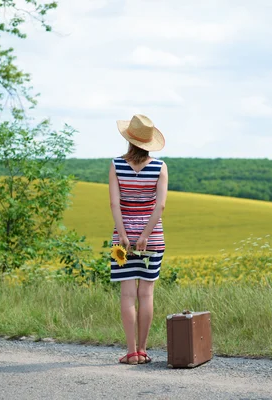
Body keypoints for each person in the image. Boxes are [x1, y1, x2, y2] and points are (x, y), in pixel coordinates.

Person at [109, 114, 168, 365]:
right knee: (146, 295)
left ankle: (131, 351)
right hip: (152, 239)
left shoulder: (115, 165)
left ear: (129, 139)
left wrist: (123, 235)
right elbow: (161, 206)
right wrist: (144, 235)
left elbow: (114, 203)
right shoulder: (160, 167)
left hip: (121, 241)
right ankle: (143, 351)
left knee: (126, 296)